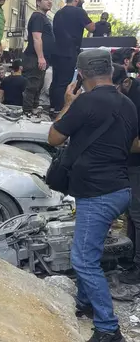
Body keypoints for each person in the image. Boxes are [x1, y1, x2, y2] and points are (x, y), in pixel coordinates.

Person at [48, 49, 137, 342]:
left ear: (81, 75)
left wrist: (67, 104)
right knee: (89, 249)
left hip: (98, 193)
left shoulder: (83, 102)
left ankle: (108, 329)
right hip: (120, 190)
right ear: (110, 71)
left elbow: (54, 137)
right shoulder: (127, 104)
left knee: (83, 259)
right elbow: (133, 144)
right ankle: (85, 303)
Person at [111, 53, 140, 285]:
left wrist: (114, 144)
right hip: (127, 163)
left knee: (138, 216)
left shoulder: (137, 98)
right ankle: (129, 257)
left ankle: (138, 268)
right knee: (130, 215)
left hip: (136, 165)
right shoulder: (121, 96)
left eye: (114, 89)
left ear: (126, 82)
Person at [50, 0, 96, 112]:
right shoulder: (79, 12)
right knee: (64, 81)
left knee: (56, 80)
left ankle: (53, 106)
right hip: (69, 52)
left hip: (56, 51)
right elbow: (92, 28)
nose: (83, 1)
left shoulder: (58, 13)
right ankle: (59, 109)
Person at [22, 0, 55, 115]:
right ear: (38, 2)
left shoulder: (43, 17)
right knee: (32, 85)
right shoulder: (37, 17)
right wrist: (40, 57)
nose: (50, 1)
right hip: (34, 57)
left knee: (38, 85)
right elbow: (37, 38)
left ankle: (34, 107)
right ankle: (27, 111)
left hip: (40, 58)